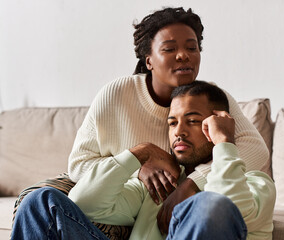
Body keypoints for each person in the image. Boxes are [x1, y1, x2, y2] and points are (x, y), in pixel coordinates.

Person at [11, 81, 275, 239]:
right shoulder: (160, 185)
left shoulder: (257, 184)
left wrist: (224, 143)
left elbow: (231, 209)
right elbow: (85, 204)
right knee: (41, 202)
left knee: (209, 205)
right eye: (173, 122)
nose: (179, 131)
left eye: (193, 121)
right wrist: (139, 154)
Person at [68, 7, 269, 208]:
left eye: (192, 48)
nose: (183, 55)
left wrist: (193, 183)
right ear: (149, 61)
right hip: (116, 204)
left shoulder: (211, 97)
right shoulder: (116, 94)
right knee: (45, 200)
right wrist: (136, 166)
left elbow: (256, 149)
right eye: (170, 49)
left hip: (167, 212)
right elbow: (78, 165)